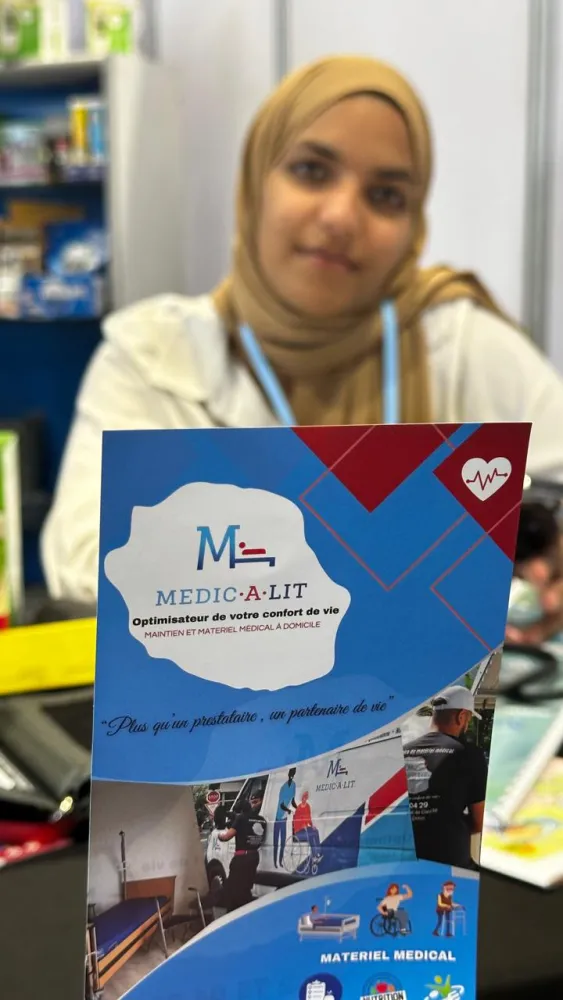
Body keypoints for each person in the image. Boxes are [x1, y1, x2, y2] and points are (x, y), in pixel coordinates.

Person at [41, 55, 563, 618]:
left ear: (414, 227)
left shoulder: (458, 344)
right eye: (312, 171)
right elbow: (85, 568)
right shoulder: (154, 357)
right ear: (254, 183)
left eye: (387, 196)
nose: (341, 216)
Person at [403, 685, 487, 869]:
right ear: (461, 716)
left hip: (406, 859)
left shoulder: (403, 751)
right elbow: (479, 822)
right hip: (450, 861)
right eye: (468, 719)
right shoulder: (469, 754)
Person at [218, 790, 266, 912]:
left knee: (232, 888)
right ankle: (246, 912)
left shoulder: (241, 818)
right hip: (254, 857)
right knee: (246, 888)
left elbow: (227, 837)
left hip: (241, 858)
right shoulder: (262, 820)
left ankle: (233, 914)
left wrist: (219, 836)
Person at [274, 767, 297, 868]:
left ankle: (280, 862)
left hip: (284, 818)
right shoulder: (283, 787)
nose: (292, 776)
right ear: (288, 774)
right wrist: (288, 810)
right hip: (278, 817)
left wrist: (297, 808)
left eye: (293, 774)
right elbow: (281, 804)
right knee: (276, 842)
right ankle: (275, 862)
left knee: (283, 842)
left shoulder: (294, 785)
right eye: (291, 774)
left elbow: (292, 801)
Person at [292, 791, 323, 863]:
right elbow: (296, 821)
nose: (304, 799)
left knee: (315, 831)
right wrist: (302, 825)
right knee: (312, 835)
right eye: (303, 797)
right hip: (299, 832)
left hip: (305, 829)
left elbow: (308, 818)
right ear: (301, 798)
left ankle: (317, 854)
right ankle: (316, 855)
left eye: (305, 797)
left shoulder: (307, 806)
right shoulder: (298, 808)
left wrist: (312, 826)